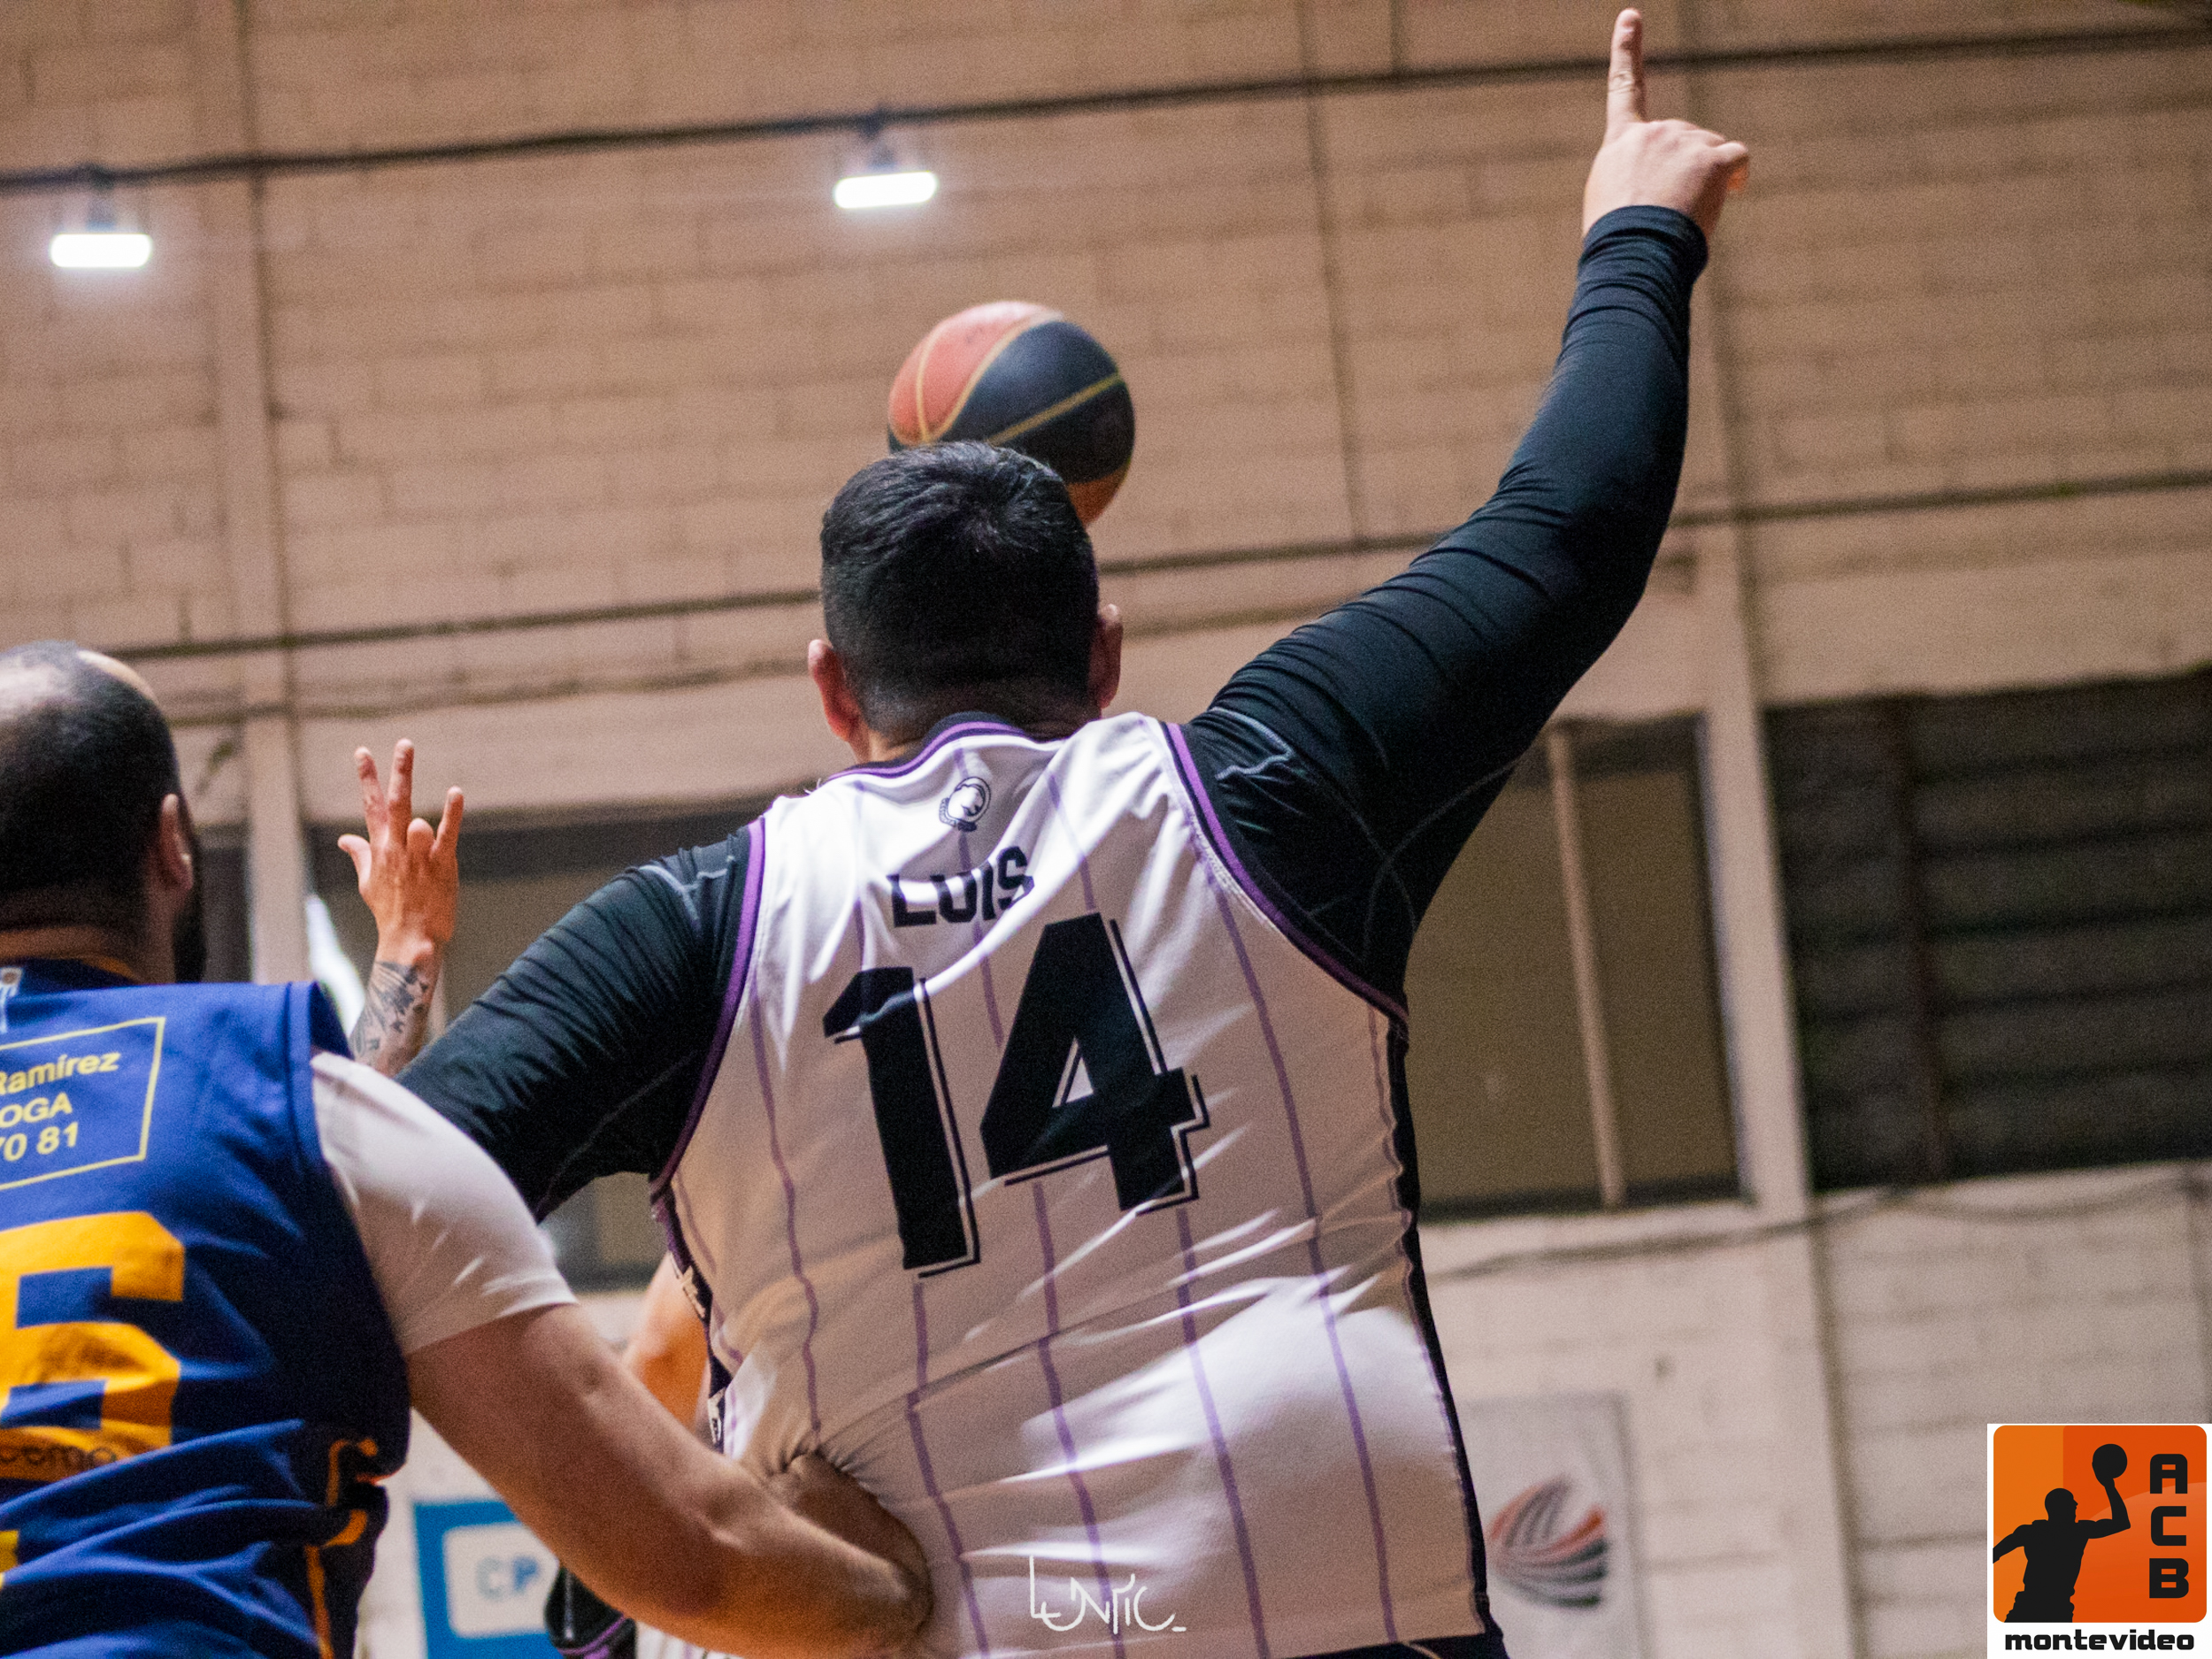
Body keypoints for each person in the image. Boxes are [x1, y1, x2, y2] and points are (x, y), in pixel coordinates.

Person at [391, 13, 1747, 1656]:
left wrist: (668, 1547)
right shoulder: (1268, 792)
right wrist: (1636, 227)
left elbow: (375, 1209)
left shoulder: (698, 931)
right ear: (1105, 657)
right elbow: (1566, 531)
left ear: (834, 690)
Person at [0, 643, 931, 1658]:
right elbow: (689, 1557)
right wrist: (892, 1585)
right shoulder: (292, 1112)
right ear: (173, 847)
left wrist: (403, 963)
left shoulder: (288, 1124)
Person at [1994, 1475, 2132, 1623]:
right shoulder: (2077, 1531)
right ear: (2061, 1507)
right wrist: (2109, 1486)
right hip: (2051, 1608)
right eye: (2071, 1501)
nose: (2076, 1504)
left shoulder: (2032, 1531)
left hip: (2034, 1606)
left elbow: (1995, 1553)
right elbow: (2121, 1522)